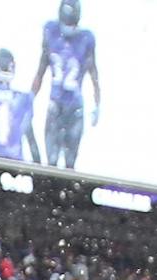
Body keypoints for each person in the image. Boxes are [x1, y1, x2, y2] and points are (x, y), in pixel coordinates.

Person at [31, 0, 99, 170]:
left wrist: (98, 104)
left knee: (69, 166)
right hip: (55, 105)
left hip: (74, 107)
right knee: (51, 163)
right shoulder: (51, 32)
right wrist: (29, 99)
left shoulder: (86, 39)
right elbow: (41, 68)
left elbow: (93, 73)